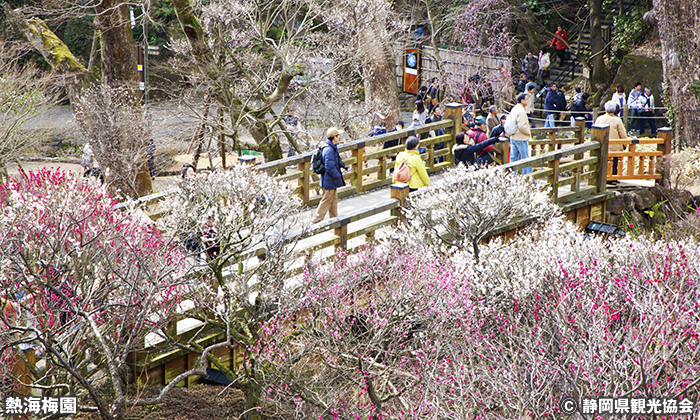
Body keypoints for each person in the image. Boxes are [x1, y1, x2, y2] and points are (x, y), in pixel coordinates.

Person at [312, 127, 349, 224]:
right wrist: (338, 176)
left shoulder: (332, 146)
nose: (339, 137)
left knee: (333, 200)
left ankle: (334, 219)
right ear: (334, 137)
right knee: (326, 201)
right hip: (329, 180)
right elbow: (329, 167)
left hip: (331, 180)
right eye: (338, 135)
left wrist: (344, 166)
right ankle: (315, 222)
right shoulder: (328, 149)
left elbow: (336, 161)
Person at [595, 101, 628, 184]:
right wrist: (625, 144)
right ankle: (612, 178)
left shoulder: (599, 118)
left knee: (603, 162)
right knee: (614, 163)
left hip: (602, 145)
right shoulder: (617, 120)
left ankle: (602, 177)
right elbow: (622, 134)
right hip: (614, 146)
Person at [509, 93, 532, 175]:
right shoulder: (521, 111)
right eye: (527, 99)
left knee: (513, 158)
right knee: (525, 158)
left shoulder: (515, 108)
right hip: (521, 137)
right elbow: (522, 126)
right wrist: (528, 133)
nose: (528, 101)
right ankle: (527, 177)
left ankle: (512, 176)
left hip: (513, 136)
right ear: (522, 100)